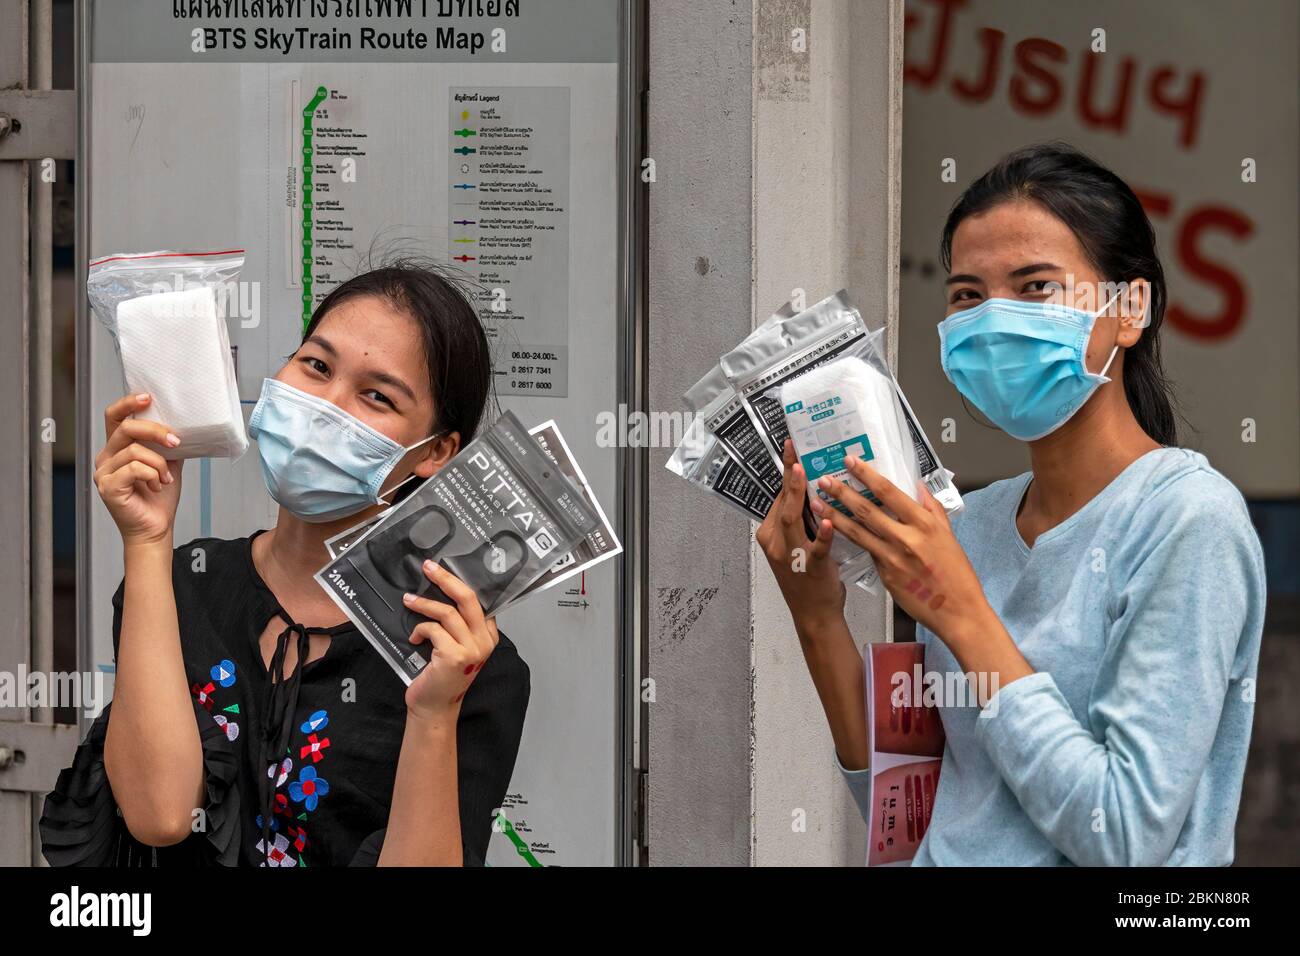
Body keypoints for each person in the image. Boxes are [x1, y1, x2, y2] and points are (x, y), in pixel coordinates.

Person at [759, 143, 1266, 866]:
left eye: (1035, 287)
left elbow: (1123, 836)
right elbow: (910, 817)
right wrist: (816, 617)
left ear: (1132, 308)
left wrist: (959, 609)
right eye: (968, 295)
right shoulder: (974, 524)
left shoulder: (1187, 520)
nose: (996, 322)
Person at [40, 259, 529, 867]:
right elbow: (160, 816)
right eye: (316, 366)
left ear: (435, 452)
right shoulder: (183, 584)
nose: (325, 404)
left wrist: (433, 713)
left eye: (376, 396)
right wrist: (145, 543)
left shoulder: (466, 660)